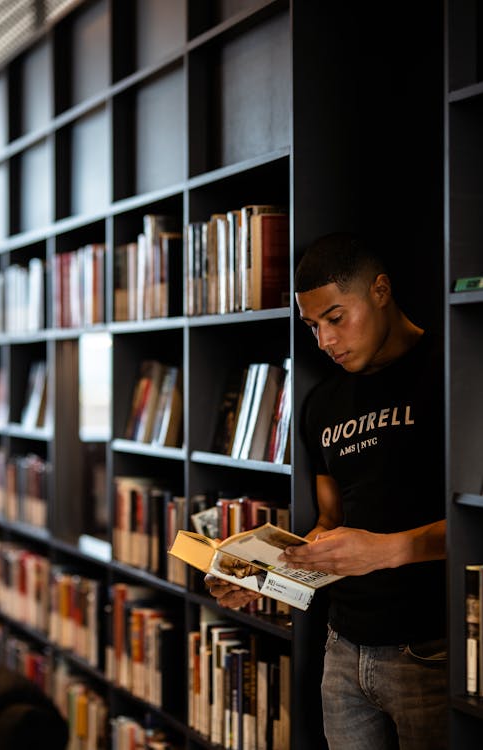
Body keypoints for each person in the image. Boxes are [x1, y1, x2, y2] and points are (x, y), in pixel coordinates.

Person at [205, 231, 447, 750]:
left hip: (430, 648)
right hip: (342, 647)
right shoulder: (321, 403)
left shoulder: (451, 372)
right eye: (313, 326)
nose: (325, 341)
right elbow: (329, 526)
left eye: (336, 318)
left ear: (380, 290)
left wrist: (387, 550)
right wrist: (261, 574)